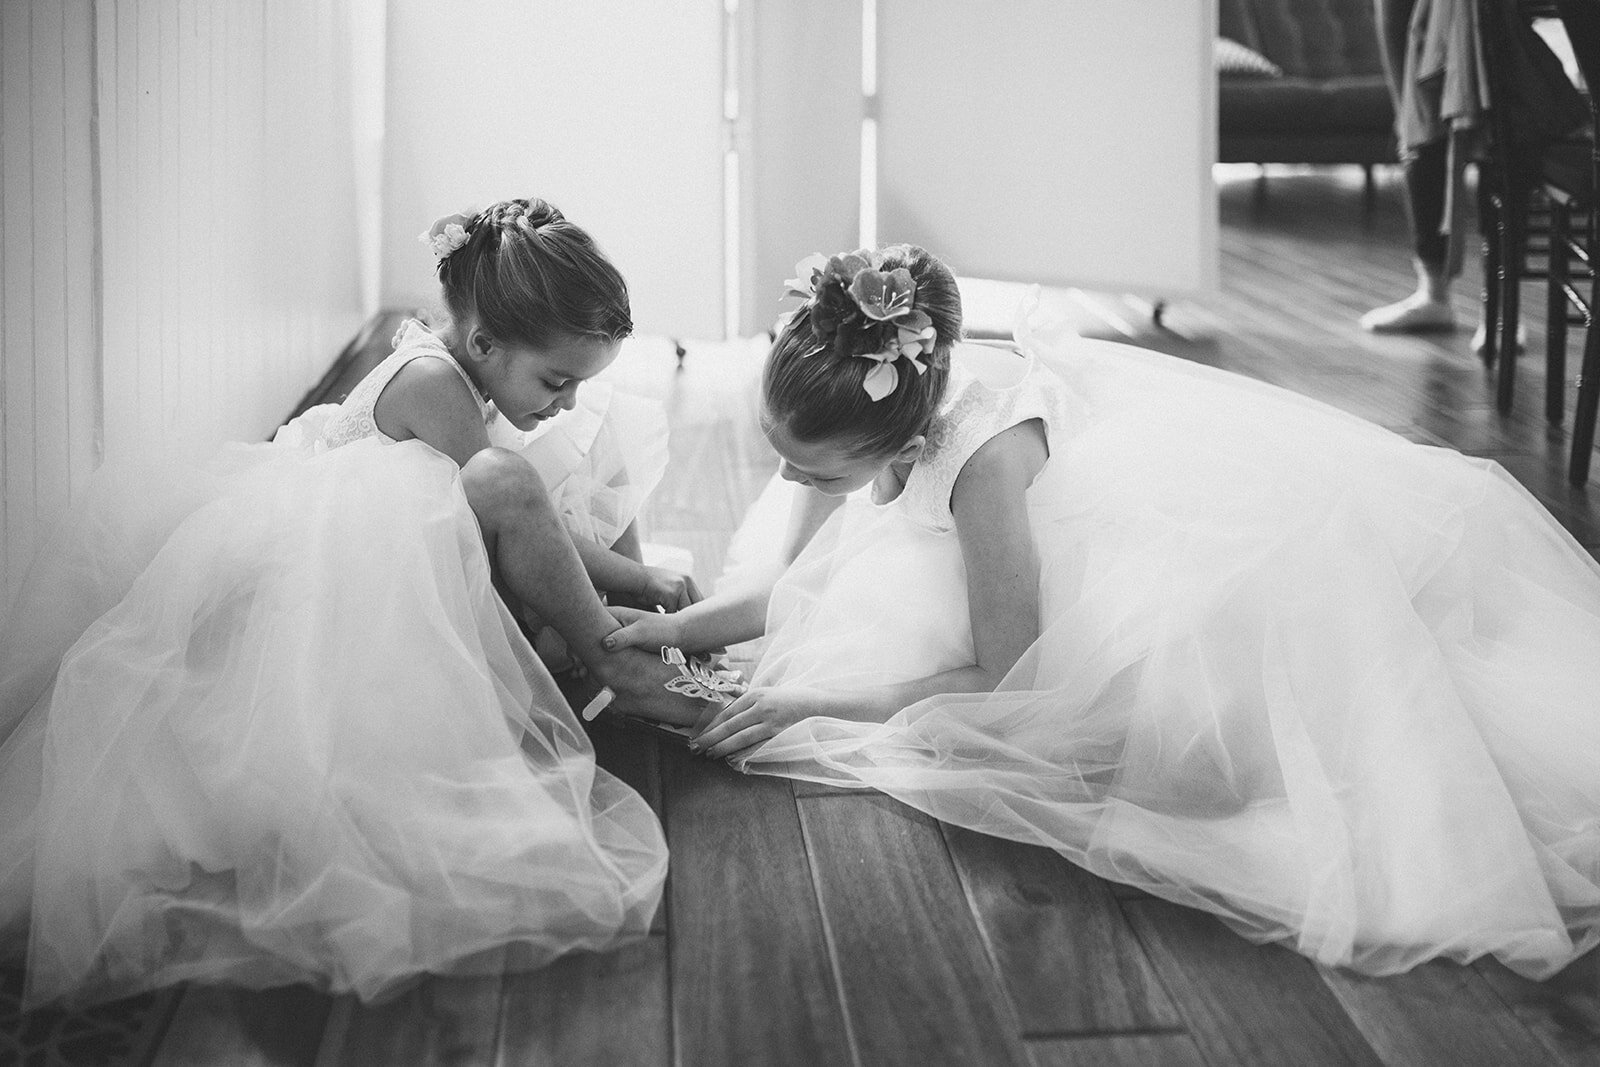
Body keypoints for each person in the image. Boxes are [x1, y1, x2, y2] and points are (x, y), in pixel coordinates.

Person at [606, 243, 1600, 980]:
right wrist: (674, 629)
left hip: (1162, 575)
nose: (788, 478)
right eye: (779, 450)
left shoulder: (980, 464)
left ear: (895, 433)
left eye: (810, 468)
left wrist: (810, 700)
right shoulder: (851, 408)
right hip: (994, 538)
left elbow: (1006, 673)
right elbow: (787, 580)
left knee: (1211, 762)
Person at [0, 197, 708, 1007]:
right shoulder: (435, 382)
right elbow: (510, 502)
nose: (567, 401)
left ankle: (592, 642)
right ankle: (615, 659)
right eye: (557, 380)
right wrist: (632, 582)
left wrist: (620, 575)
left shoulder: (455, 359)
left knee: (542, 487)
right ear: (483, 343)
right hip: (317, 593)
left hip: (378, 562)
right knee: (511, 480)